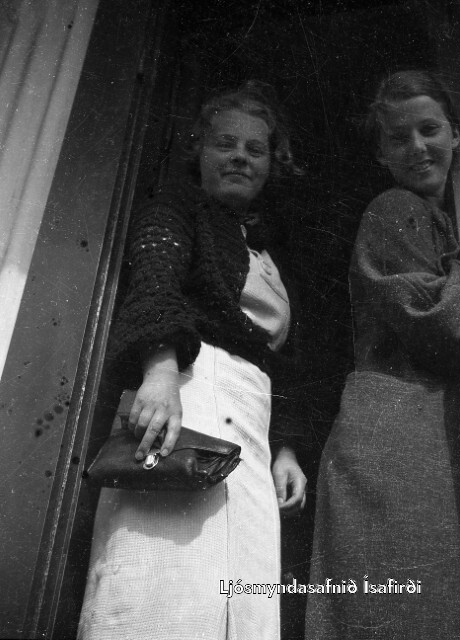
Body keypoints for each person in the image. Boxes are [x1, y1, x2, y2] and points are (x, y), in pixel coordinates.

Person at [79, 80, 307, 640]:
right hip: (190, 390)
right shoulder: (176, 208)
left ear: (270, 166)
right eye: (225, 143)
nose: (240, 157)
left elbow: (283, 362)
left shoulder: (269, 251)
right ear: (199, 150)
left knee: (242, 589)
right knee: (168, 574)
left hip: (252, 421)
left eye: (255, 149)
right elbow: (155, 284)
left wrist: (286, 448)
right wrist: (160, 373)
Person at [305, 70, 460, 639]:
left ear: (455, 134)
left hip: (413, 431)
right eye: (397, 138)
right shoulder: (396, 208)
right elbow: (440, 326)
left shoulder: (445, 217)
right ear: (381, 155)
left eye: (429, 129)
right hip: (397, 436)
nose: (417, 146)